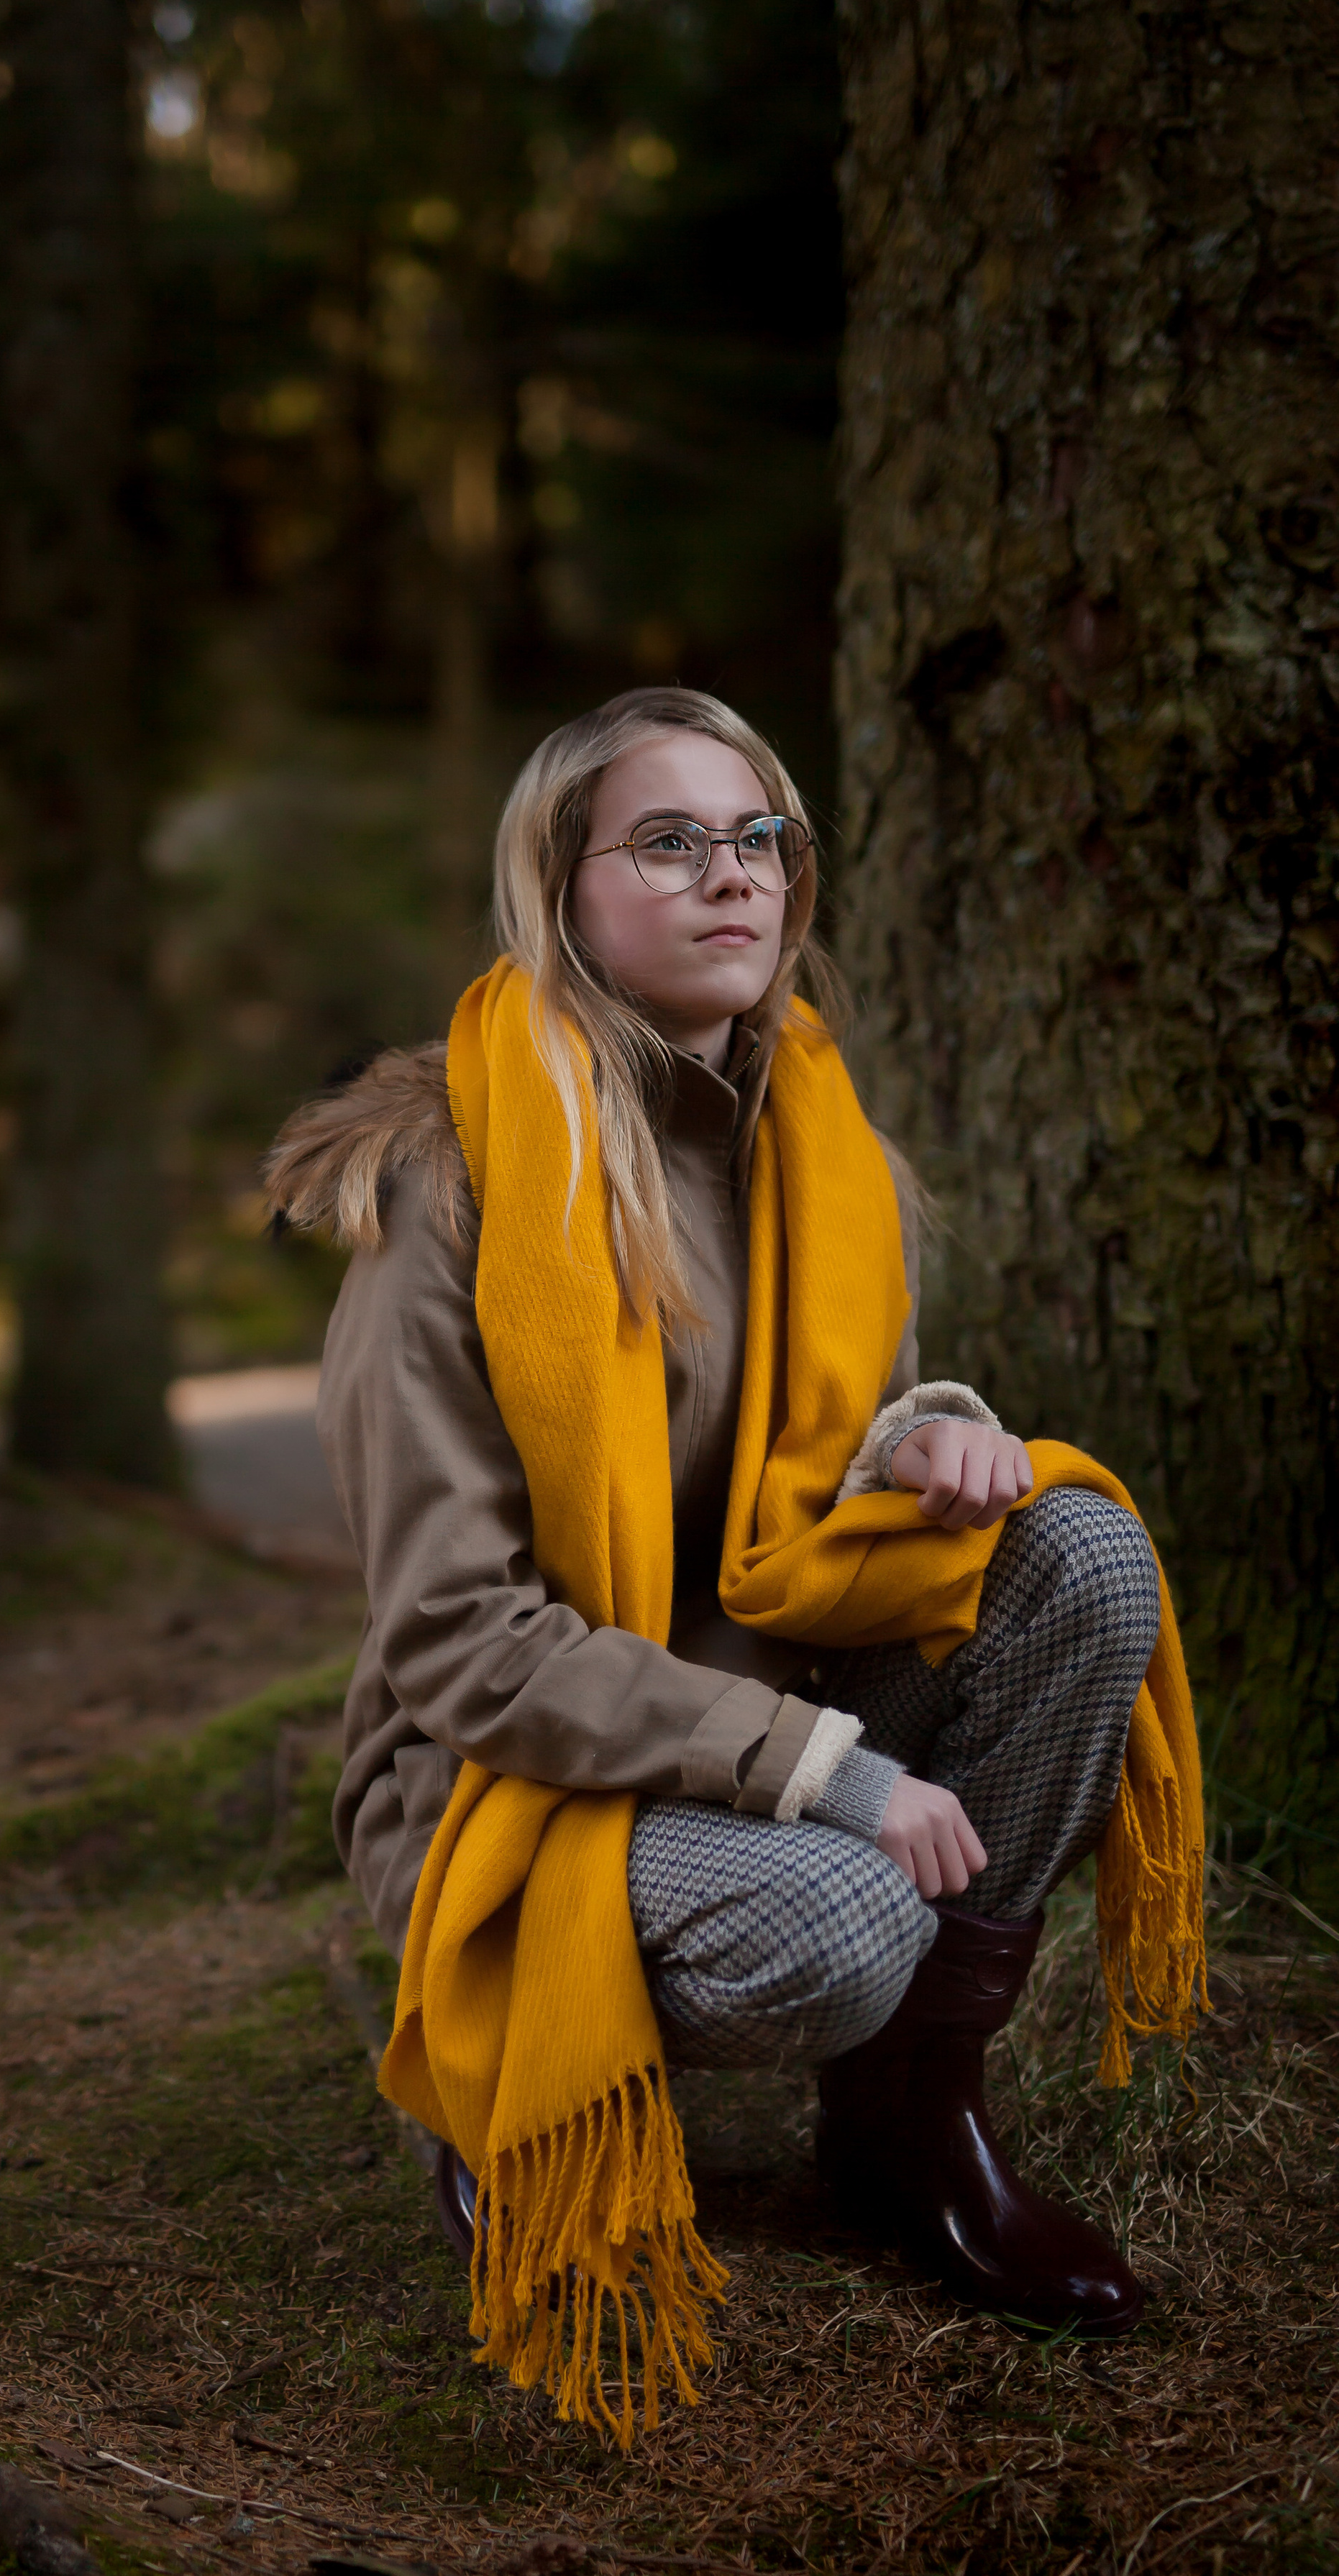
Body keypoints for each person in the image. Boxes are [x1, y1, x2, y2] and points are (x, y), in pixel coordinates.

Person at [265, 685, 1204, 2440]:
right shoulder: (444, 1193)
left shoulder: (822, 1150)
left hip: (770, 1690)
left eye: (759, 836)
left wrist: (918, 1436)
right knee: (841, 1923)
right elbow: (462, 1639)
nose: (734, 877)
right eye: (670, 841)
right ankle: (511, 2099)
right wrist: (822, 1774)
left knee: (1071, 1549)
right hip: (507, 1778)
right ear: (562, 889)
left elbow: (782, 1482)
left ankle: (908, 2120)